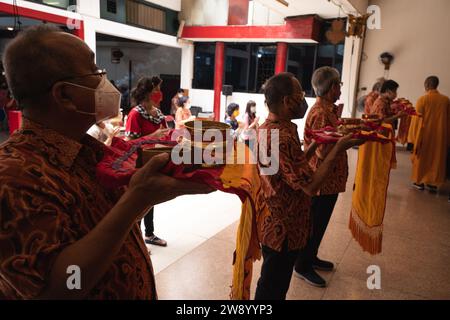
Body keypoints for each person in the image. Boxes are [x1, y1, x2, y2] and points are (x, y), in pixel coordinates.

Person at [0, 25, 213, 299]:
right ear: (64, 95)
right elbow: (64, 288)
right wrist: (135, 200)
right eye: (96, 72)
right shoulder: (13, 176)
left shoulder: (85, 149)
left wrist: (153, 192)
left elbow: (106, 227)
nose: (105, 80)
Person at [254, 72, 363, 300]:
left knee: (273, 281)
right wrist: (338, 148)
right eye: (299, 95)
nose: (303, 99)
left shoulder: (272, 128)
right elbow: (310, 187)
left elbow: (292, 165)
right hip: (282, 227)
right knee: (272, 287)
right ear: (286, 101)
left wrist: (316, 143)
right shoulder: (280, 136)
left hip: (275, 219)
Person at [292, 67, 348, 287]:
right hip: (321, 179)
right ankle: (302, 265)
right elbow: (322, 151)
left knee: (320, 223)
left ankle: (311, 256)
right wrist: (344, 141)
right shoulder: (321, 112)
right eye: (338, 85)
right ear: (332, 87)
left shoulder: (328, 110)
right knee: (313, 223)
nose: (339, 89)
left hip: (330, 180)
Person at [126, 77, 171, 248]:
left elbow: (166, 135)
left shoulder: (158, 114)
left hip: (154, 160)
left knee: (151, 200)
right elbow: (129, 144)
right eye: (156, 90)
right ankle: (134, 239)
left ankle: (149, 234)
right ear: (147, 93)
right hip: (138, 163)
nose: (160, 93)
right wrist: (151, 137)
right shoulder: (135, 114)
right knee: (138, 201)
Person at [411, 76, 450, 192]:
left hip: (425, 134)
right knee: (436, 158)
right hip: (440, 134)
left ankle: (419, 181)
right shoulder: (446, 100)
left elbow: (416, 120)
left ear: (426, 85)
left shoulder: (422, 100)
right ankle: (432, 182)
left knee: (422, 157)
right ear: (437, 85)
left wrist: (413, 138)